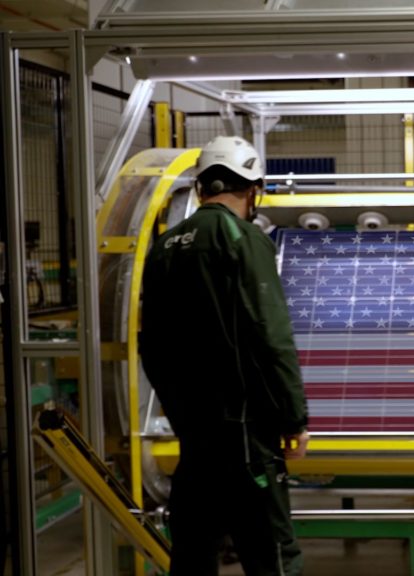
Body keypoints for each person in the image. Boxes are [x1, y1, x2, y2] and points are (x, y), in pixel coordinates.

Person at [141, 136, 309, 576]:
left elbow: (150, 344)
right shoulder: (244, 240)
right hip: (246, 435)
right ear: (253, 190)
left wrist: (181, 413)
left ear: (201, 188)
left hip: (195, 436)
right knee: (270, 553)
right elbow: (270, 334)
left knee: (194, 552)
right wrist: (294, 417)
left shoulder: (166, 246)